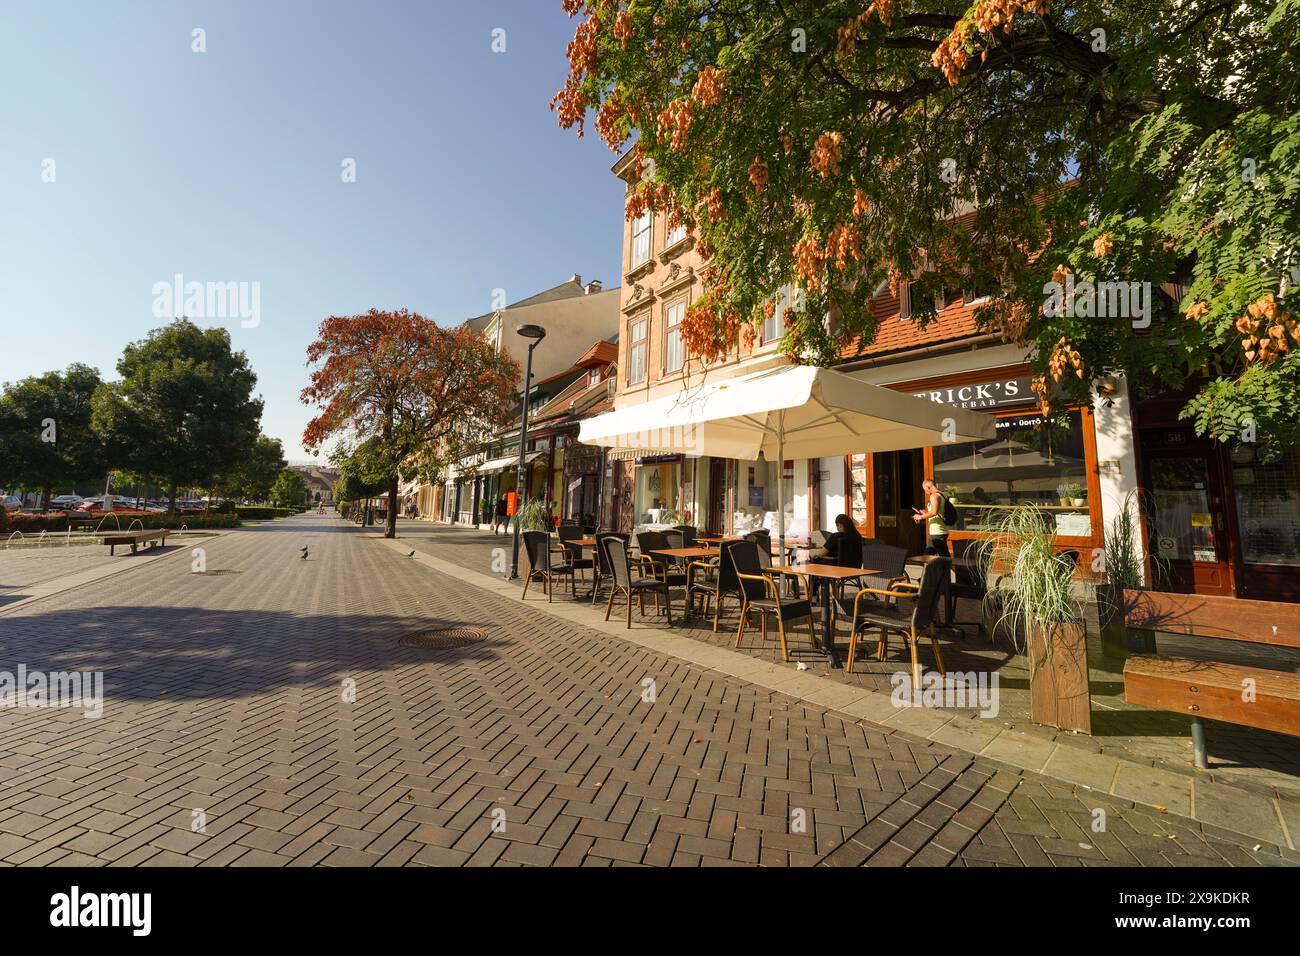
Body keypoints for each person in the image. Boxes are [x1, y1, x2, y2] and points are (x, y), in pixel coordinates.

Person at [912, 478, 950, 556]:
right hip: (942, 530)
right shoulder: (943, 495)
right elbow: (940, 512)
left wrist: (920, 517)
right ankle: (945, 567)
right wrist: (925, 513)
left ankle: (930, 568)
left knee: (928, 555)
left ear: (928, 487)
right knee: (943, 555)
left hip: (937, 531)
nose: (926, 492)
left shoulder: (934, 496)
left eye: (925, 489)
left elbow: (934, 512)